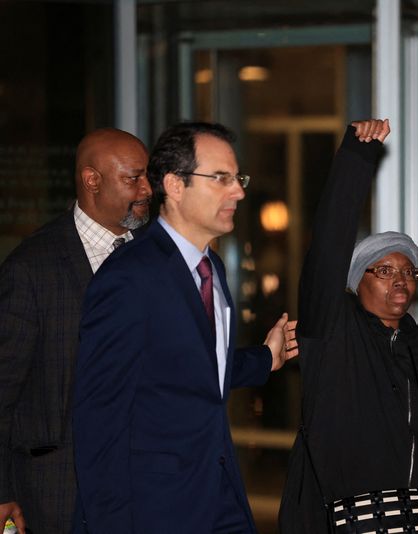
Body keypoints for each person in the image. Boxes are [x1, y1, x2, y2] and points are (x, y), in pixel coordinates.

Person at [278, 119, 418, 534]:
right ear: (355, 283)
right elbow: (327, 251)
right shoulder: (334, 331)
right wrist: (355, 159)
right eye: (384, 270)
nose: (400, 279)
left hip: (417, 522)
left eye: (409, 271)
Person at [71, 122, 295, 533]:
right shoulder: (130, 276)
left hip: (217, 497)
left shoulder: (212, 268)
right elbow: (99, 420)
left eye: (238, 178)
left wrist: (265, 357)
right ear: (174, 185)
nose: (239, 192)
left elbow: (190, 366)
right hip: (153, 512)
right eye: (221, 178)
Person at [0, 128, 151, 534]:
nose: (147, 189)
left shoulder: (158, 256)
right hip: (56, 496)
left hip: (145, 491)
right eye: (133, 178)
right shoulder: (31, 268)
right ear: (92, 180)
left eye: (147, 176)